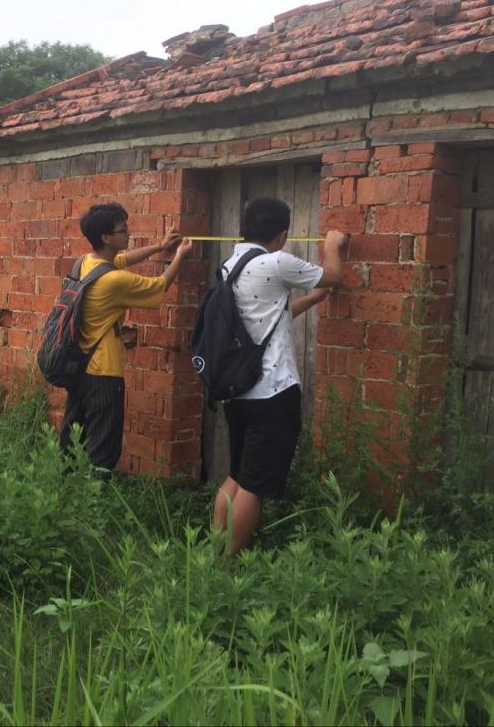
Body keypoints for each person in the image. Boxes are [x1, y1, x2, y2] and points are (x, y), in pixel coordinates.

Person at [211, 196, 348, 555]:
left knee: (236, 475)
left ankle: (213, 552)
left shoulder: (230, 265)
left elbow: (267, 316)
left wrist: (313, 299)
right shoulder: (276, 262)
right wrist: (333, 246)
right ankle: (229, 563)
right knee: (254, 485)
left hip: (238, 391)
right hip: (272, 392)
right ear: (282, 234)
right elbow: (335, 275)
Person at [59, 202, 193, 474]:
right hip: (104, 374)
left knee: (74, 442)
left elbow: (124, 259)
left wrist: (159, 246)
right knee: (103, 450)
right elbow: (158, 287)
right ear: (106, 237)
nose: (128, 233)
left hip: (79, 368)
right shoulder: (114, 281)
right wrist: (179, 256)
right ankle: (94, 496)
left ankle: (66, 491)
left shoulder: (85, 263)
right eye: (123, 230)